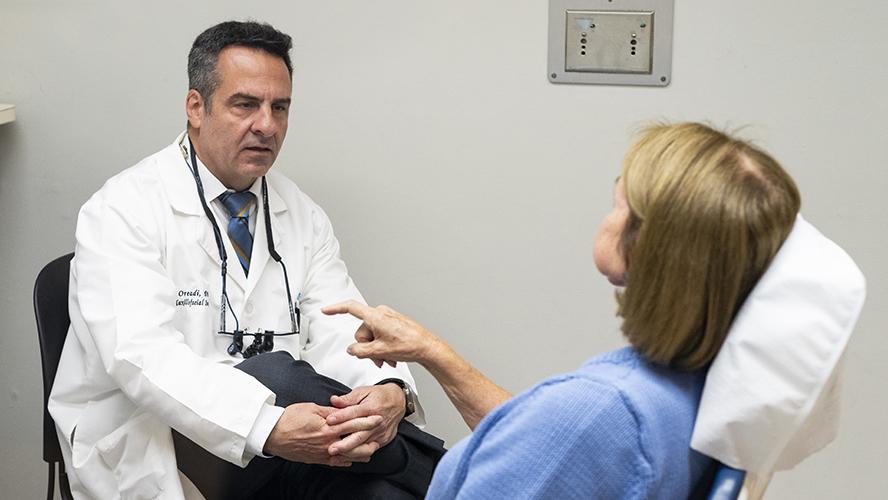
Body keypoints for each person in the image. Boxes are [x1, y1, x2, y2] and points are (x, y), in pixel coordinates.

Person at [48, 21, 444, 500]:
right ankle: (450, 472)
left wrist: (390, 395)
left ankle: (435, 474)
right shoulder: (122, 210)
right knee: (276, 374)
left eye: (280, 107)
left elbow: (345, 329)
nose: (267, 125)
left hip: (292, 443)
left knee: (385, 494)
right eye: (245, 104)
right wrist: (264, 424)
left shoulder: (300, 214)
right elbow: (141, 356)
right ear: (196, 107)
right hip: (160, 441)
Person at [324, 122, 802, 499]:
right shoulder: (702, 384)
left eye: (618, 204)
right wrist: (432, 352)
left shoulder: (601, 412)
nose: (606, 216)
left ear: (647, 246)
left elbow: (566, 433)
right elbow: (546, 440)